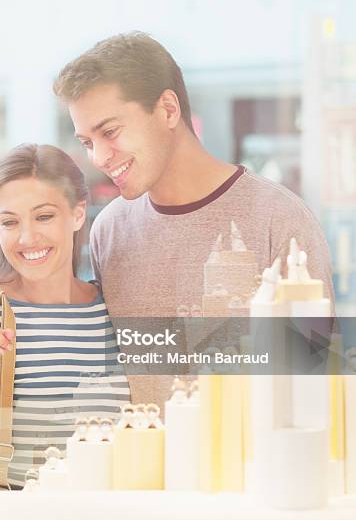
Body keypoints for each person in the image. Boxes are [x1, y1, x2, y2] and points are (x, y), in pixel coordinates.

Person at [53, 32, 335, 406]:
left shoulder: (279, 219)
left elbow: (315, 384)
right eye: (88, 142)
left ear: (168, 109)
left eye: (110, 132)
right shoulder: (109, 230)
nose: (100, 158)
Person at [0, 143, 130, 492]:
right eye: (10, 222)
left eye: (44, 216)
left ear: (77, 214)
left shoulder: (116, 312)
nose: (27, 238)